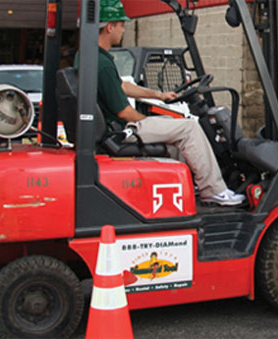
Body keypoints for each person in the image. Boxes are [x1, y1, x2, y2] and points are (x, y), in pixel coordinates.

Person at [92, 0, 244, 206]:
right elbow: (125, 112)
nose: (123, 29)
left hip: (114, 128)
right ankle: (214, 190)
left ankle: (190, 187)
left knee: (174, 134)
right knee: (189, 127)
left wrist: (158, 95)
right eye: (121, 25)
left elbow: (122, 87)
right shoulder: (102, 64)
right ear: (110, 27)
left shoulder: (96, 58)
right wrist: (147, 121)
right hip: (121, 129)